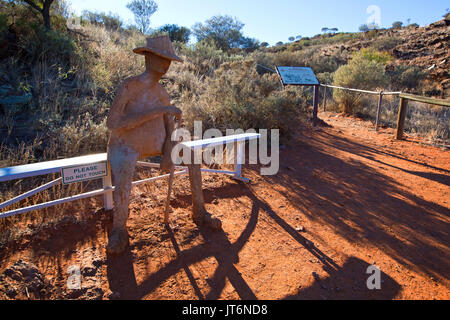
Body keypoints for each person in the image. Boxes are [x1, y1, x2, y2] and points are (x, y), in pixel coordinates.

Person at [106, 36, 221, 255]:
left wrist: (169, 151)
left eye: (168, 60)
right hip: (125, 144)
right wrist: (158, 111)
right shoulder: (129, 86)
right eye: (161, 59)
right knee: (126, 166)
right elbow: (113, 123)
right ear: (149, 58)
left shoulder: (162, 93)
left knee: (193, 156)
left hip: (157, 144)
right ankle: (119, 229)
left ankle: (199, 211)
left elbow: (169, 128)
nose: (166, 65)